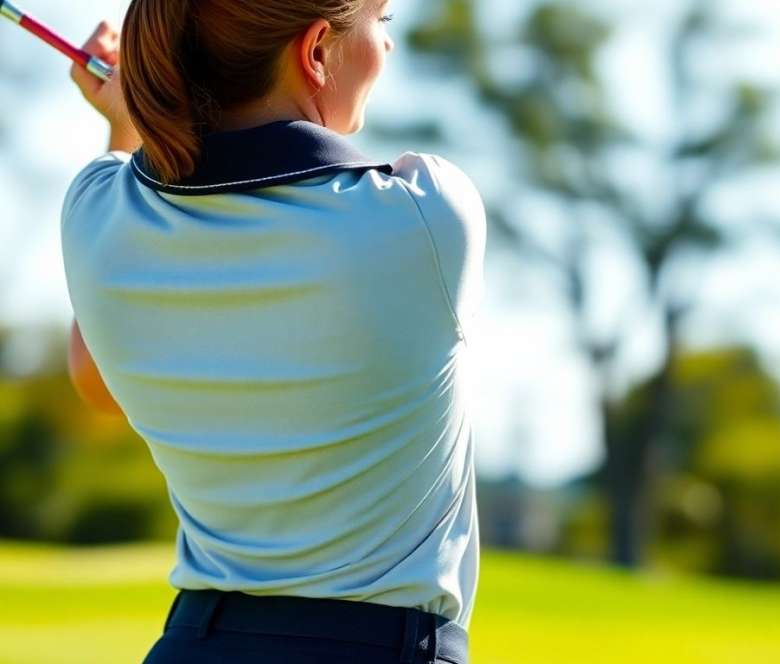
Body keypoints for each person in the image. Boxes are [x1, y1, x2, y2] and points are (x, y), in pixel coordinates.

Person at [63, 1, 486, 662]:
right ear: (317, 50)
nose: (388, 48)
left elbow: (98, 382)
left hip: (192, 646)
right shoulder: (425, 211)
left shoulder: (96, 211)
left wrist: (127, 127)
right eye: (384, 23)